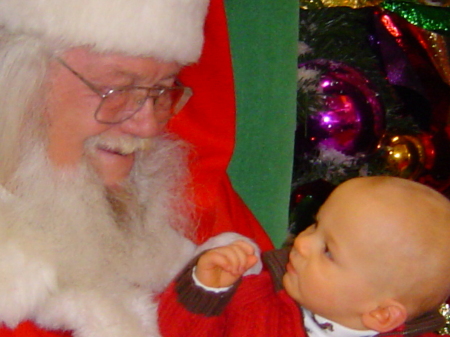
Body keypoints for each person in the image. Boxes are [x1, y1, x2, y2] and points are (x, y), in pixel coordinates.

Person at [0, 0, 273, 336]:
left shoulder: (195, 199)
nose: (147, 126)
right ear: (17, 79)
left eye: (160, 92)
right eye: (117, 89)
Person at [159, 176, 450, 337]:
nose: (302, 243)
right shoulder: (256, 302)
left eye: (328, 252)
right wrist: (207, 290)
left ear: (381, 314)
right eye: (315, 225)